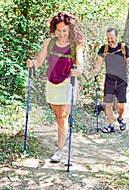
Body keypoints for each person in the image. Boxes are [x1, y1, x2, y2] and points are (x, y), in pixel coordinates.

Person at [26, 12, 84, 162]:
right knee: (58, 117)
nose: (62, 33)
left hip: (67, 82)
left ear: (70, 29)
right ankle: (63, 135)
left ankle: (59, 150)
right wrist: (32, 64)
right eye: (59, 30)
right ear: (54, 29)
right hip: (52, 82)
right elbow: (39, 61)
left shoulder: (75, 44)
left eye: (64, 30)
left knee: (63, 116)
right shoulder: (49, 43)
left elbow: (80, 63)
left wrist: (78, 70)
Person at [93, 28, 129, 133]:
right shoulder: (104, 49)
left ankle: (120, 119)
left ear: (116, 37)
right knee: (108, 104)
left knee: (121, 105)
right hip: (109, 80)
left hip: (122, 80)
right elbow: (99, 63)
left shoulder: (124, 48)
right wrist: (96, 70)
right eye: (108, 38)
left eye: (112, 37)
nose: (110, 40)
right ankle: (111, 125)